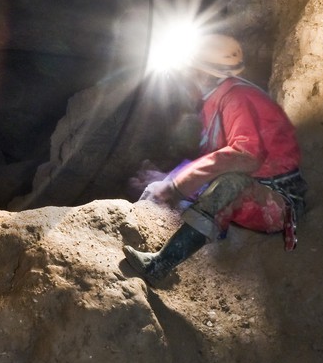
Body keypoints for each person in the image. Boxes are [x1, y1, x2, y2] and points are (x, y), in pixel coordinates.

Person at [123, 32, 307, 283]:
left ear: (204, 73)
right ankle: (198, 227)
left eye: (191, 69)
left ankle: (160, 265)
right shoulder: (220, 98)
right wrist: (168, 179)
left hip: (279, 203)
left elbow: (246, 155)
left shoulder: (237, 98)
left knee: (228, 184)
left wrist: (179, 185)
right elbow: (213, 157)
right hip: (259, 188)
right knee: (190, 179)